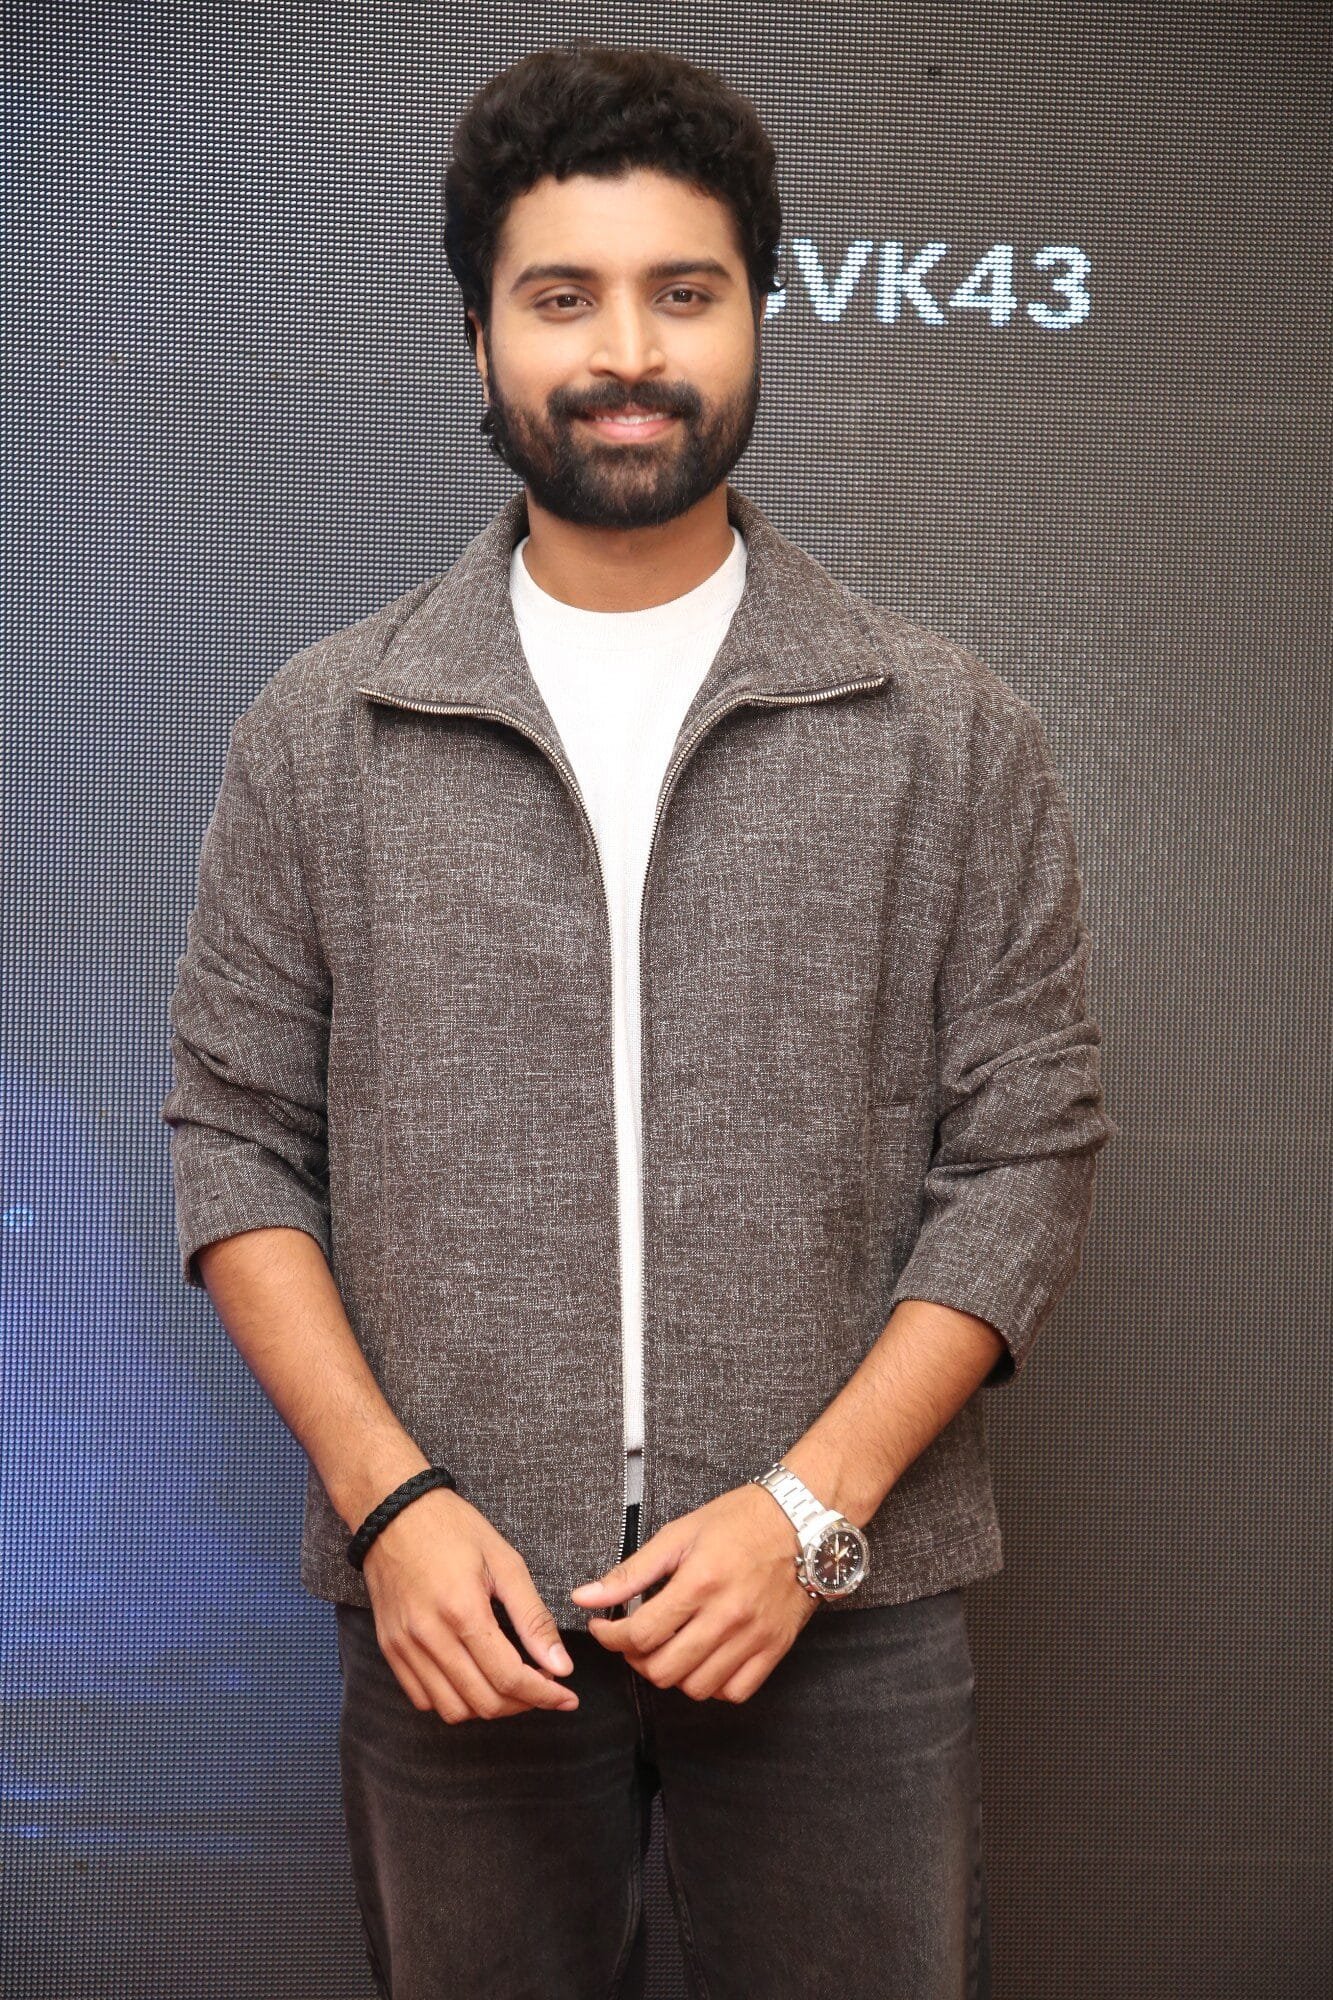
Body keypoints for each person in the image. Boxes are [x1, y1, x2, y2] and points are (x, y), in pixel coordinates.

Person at [161, 39, 1116, 2000]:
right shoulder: (322, 731)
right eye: (560, 297)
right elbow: (235, 1138)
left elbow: (1026, 1145)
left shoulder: (945, 729)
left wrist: (805, 1511)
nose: (624, 351)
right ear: (478, 336)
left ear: (754, 314)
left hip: (841, 1597)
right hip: (452, 1600)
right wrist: (391, 1505)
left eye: (682, 291)